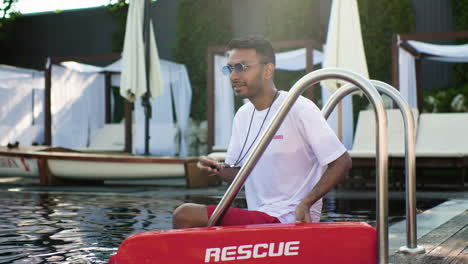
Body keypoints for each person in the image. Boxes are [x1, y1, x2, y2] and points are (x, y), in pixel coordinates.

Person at [173, 35, 351, 228]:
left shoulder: (298, 108)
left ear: (267, 70)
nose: (233, 76)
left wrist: (307, 203)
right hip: (260, 218)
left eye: (241, 68)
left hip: (288, 220)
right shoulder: (243, 115)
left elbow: (341, 162)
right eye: (230, 68)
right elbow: (239, 174)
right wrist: (216, 168)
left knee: (185, 215)